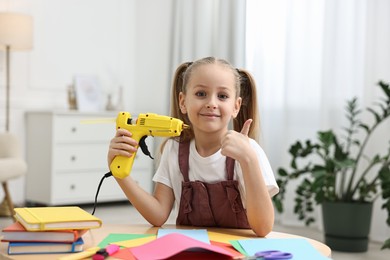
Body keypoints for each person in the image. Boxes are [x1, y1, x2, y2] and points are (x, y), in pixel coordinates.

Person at [107, 57, 279, 236]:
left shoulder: (249, 151)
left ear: (236, 106)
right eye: (201, 94)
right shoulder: (174, 149)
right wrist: (121, 175)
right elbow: (158, 215)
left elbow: (263, 228)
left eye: (222, 96)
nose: (212, 103)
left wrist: (248, 159)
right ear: (183, 102)